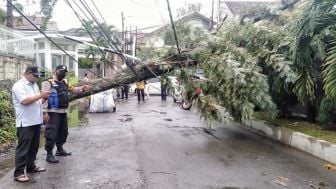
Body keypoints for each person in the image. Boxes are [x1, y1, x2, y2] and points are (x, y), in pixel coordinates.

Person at [41, 65, 91, 163]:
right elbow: (44, 98)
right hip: (53, 112)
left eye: (65, 72)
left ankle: (59, 149)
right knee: (52, 133)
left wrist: (83, 88)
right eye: (61, 71)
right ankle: (49, 154)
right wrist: (44, 113)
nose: (63, 73)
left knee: (63, 131)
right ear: (55, 71)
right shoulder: (48, 83)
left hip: (63, 111)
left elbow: (73, 90)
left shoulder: (65, 82)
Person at [12, 66, 50, 182]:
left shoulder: (34, 85)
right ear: (28, 73)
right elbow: (24, 101)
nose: (37, 78)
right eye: (35, 76)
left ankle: (30, 166)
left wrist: (41, 100)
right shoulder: (19, 86)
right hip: (25, 122)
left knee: (34, 147)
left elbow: (35, 100)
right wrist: (41, 95)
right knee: (23, 148)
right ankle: (18, 173)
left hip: (35, 121)